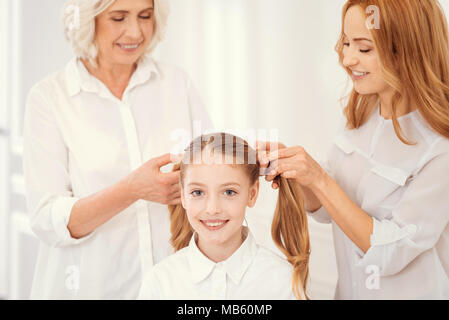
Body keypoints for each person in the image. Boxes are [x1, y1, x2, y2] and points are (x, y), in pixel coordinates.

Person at [258, 0, 449, 299]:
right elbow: (331, 211)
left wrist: (319, 179)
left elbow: (390, 251)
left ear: (407, 50)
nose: (347, 58)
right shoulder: (361, 119)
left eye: (364, 48)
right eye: (346, 43)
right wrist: (299, 174)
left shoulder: (440, 149)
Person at [23, 0, 212, 299]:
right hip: (88, 288)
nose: (135, 31)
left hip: (172, 288)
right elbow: (47, 219)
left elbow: (211, 171)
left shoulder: (177, 84)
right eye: (119, 17)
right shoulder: (50, 98)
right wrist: (132, 189)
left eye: (145, 16)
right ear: (89, 21)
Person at [137, 133, 310, 300]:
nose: (212, 209)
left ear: (252, 194)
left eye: (229, 192)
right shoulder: (160, 282)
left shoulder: (281, 281)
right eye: (197, 192)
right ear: (183, 196)